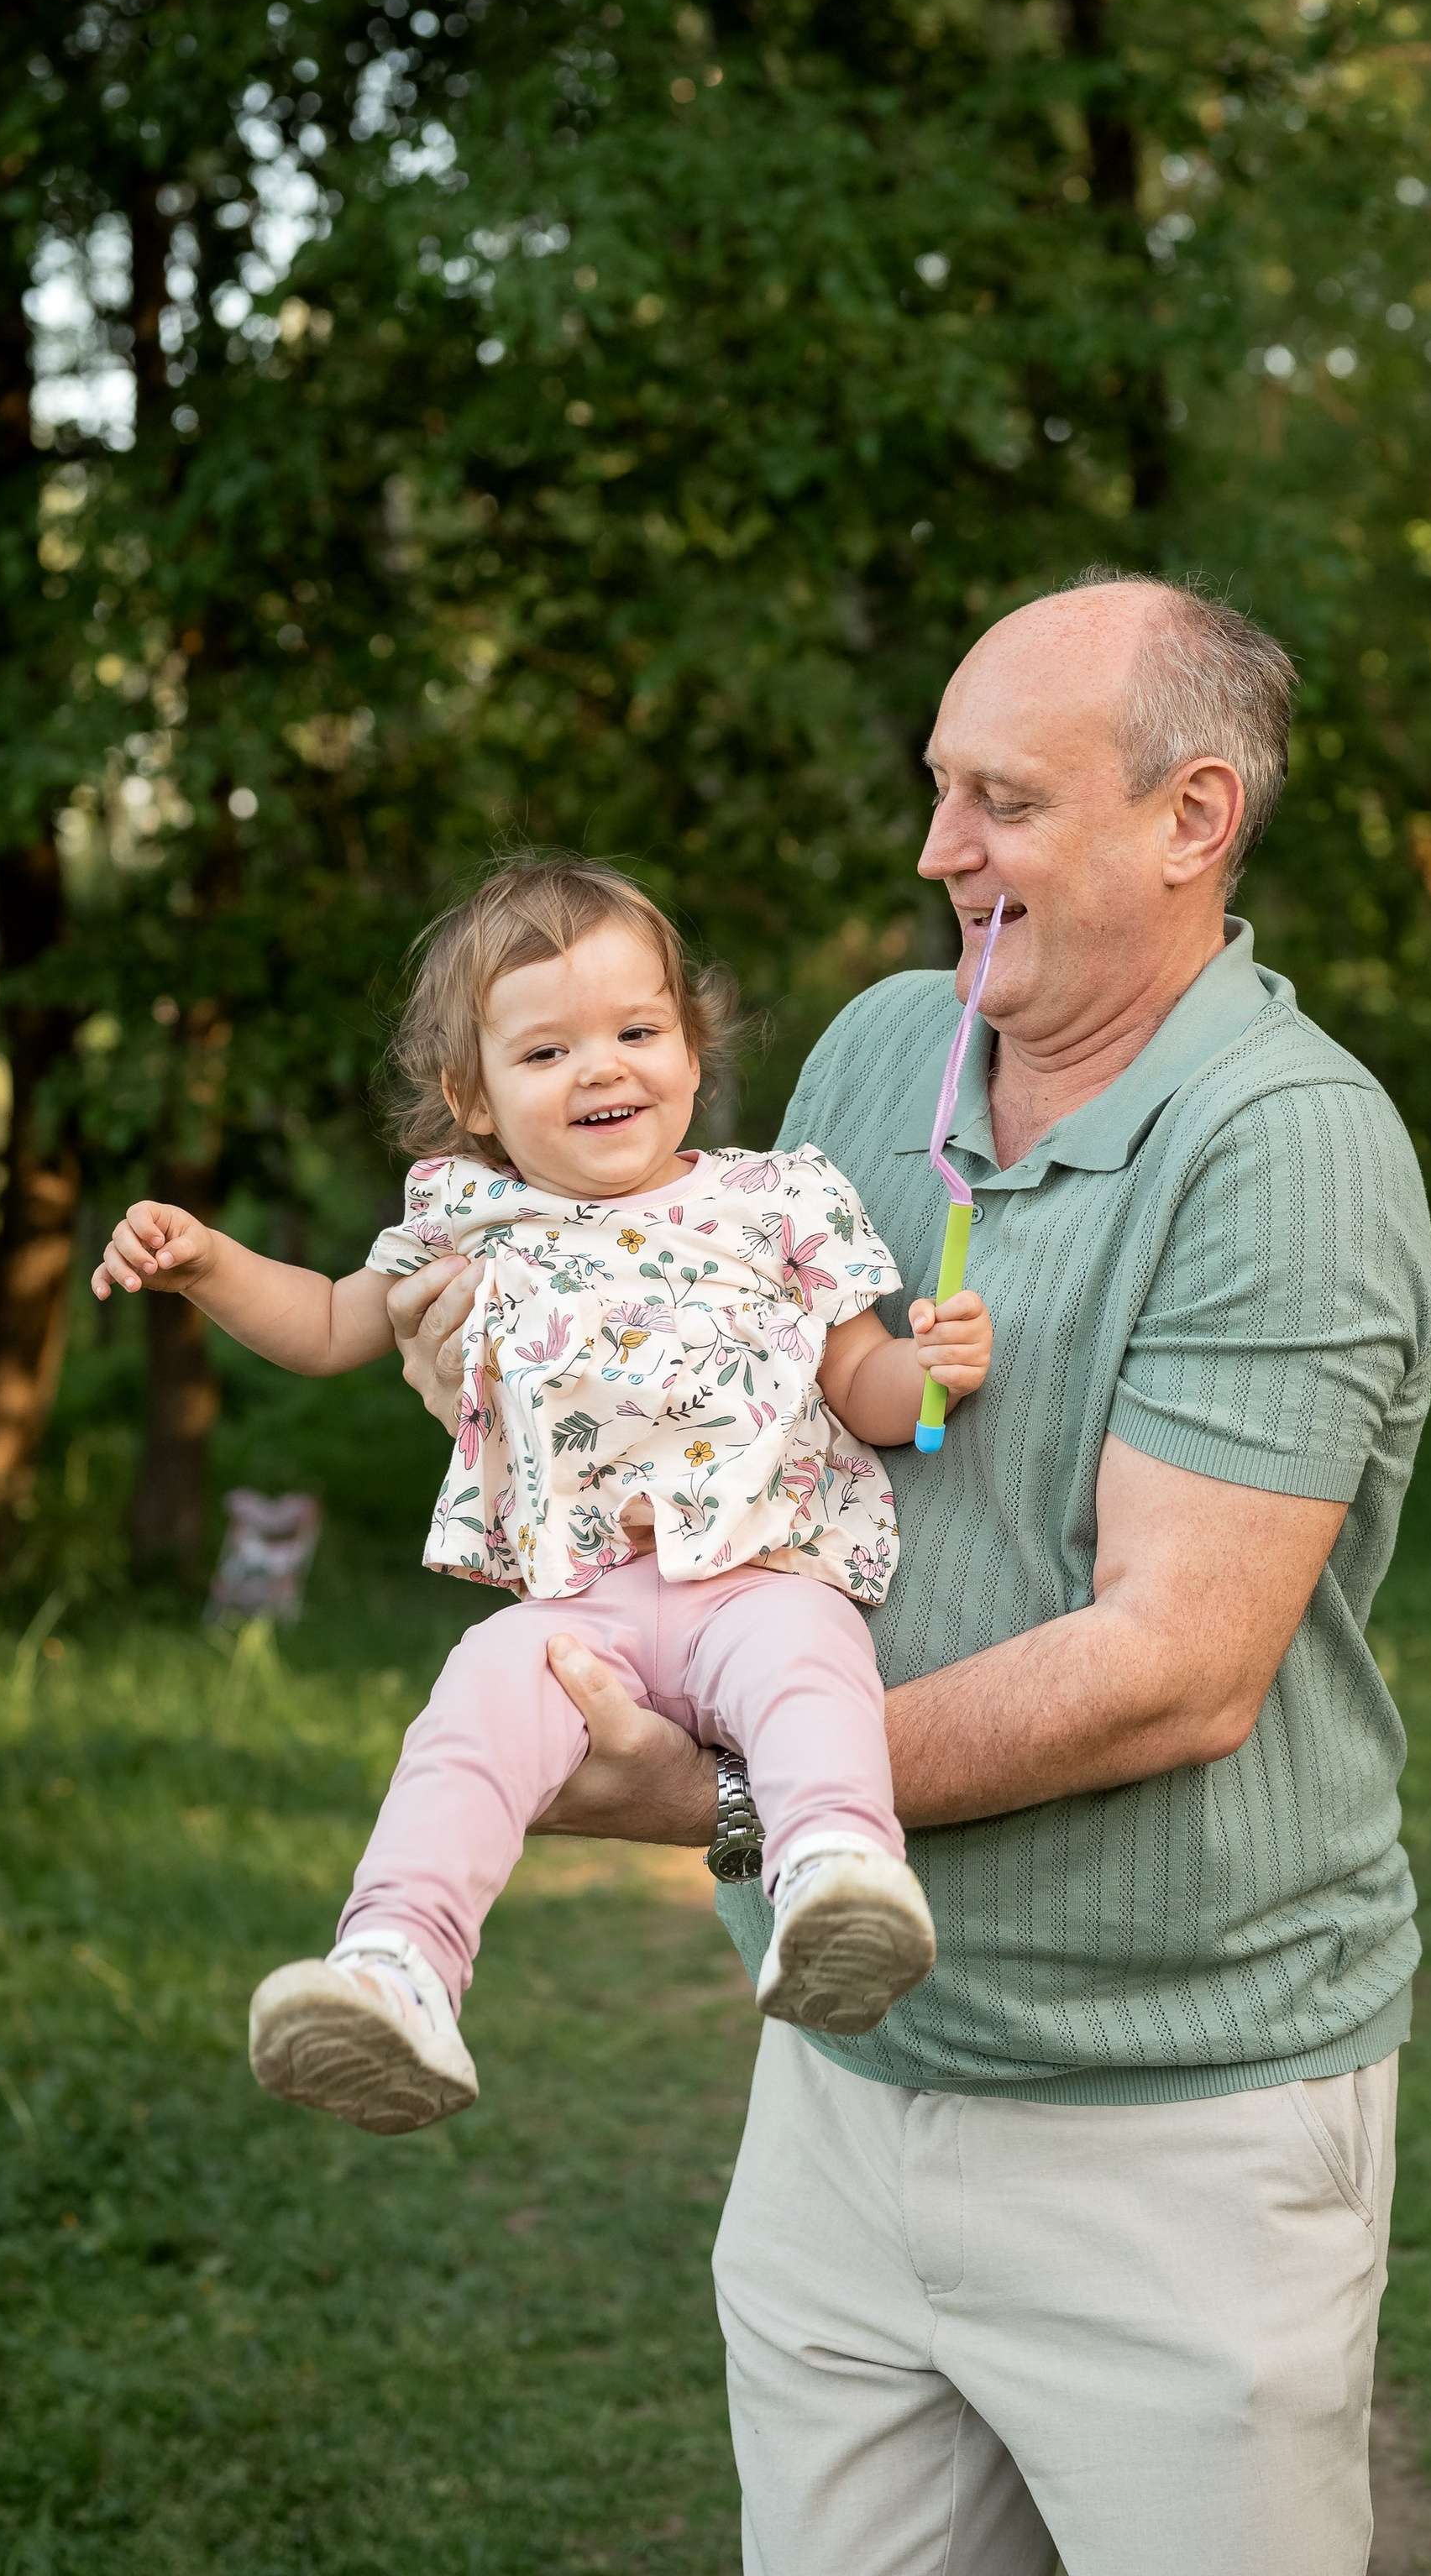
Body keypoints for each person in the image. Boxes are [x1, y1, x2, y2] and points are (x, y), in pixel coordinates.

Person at [385, 574, 1431, 2574]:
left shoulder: (1285, 1148)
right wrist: (483, 1349)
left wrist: (729, 1795)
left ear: (1191, 819)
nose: (936, 848)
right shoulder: (882, 1052)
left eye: (1002, 801)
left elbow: (1172, 1666)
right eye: (937, 790)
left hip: (1166, 2127)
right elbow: (721, 1376)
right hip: (842, 2069)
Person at [92, 856, 993, 2135]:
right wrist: (210, 1265)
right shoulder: (468, 1216)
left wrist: (934, 1370)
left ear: (689, 1047)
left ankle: (838, 1880)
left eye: (637, 1031)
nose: (603, 1069)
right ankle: (396, 1970)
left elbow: (861, 1384)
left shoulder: (778, 1198)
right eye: (548, 1050)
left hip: (760, 1576)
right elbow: (332, 1321)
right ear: (471, 1095)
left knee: (811, 1677)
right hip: (581, 1609)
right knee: (468, 1712)